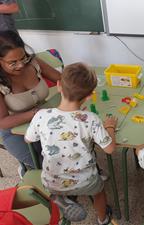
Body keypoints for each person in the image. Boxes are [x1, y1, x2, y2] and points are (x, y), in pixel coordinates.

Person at [25, 63, 118, 224]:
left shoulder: (41, 115)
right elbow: (110, 149)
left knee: (56, 185)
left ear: (59, 85)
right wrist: (109, 127)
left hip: (51, 180)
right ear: (89, 95)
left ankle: (58, 197)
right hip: (86, 180)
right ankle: (103, 219)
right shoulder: (90, 119)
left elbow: (28, 139)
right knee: (100, 192)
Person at [0, 30, 61, 171]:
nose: (21, 65)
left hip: (45, 119)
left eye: (23, 58)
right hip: (15, 132)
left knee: (70, 149)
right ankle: (27, 170)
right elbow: (2, 122)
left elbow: (61, 79)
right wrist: (35, 113)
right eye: (12, 63)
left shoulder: (33, 63)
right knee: (47, 167)